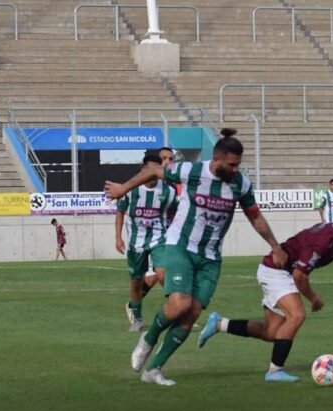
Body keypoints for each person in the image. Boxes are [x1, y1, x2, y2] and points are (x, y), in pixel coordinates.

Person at [105, 128, 287, 386]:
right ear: (217, 159)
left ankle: (153, 369)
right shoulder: (191, 171)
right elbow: (155, 171)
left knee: (191, 315)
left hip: (211, 257)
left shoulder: (241, 184)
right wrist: (123, 188)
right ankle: (148, 339)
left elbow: (254, 216)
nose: (236, 169)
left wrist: (275, 246)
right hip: (181, 246)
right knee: (179, 305)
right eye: (232, 164)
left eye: (238, 164)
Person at [197, 213, 333, 382]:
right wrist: (314, 299)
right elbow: (300, 276)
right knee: (297, 316)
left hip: (278, 272)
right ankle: (275, 371)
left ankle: (219, 324)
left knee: (270, 332)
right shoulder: (324, 242)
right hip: (276, 271)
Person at [115, 153, 178, 332]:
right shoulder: (131, 190)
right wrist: (118, 237)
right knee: (136, 281)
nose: (152, 173)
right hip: (136, 242)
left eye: (155, 169)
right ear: (142, 169)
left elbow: (177, 212)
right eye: (149, 169)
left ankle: (176, 312)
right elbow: (120, 212)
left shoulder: (168, 191)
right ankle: (137, 318)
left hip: (160, 239)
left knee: (163, 273)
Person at [137, 147, 178, 304]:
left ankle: (133, 304)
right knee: (160, 273)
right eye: (164, 159)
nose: (167, 162)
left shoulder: (173, 184)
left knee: (158, 274)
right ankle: (177, 307)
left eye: (171, 159)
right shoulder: (145, 184)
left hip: (171, 233)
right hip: (154, 236)